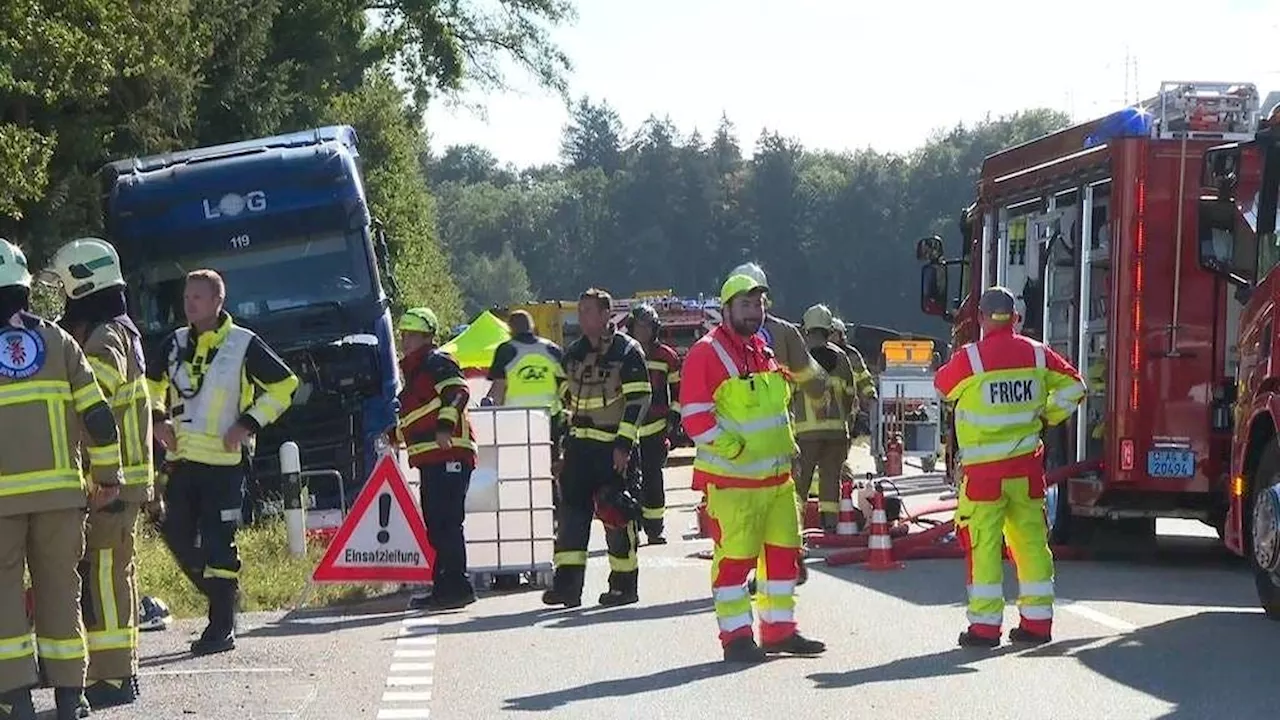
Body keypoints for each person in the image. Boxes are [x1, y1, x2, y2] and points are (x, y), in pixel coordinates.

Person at [0, 239, 123, 720]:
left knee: (4, 595)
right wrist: (108, 477)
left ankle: (14, 699)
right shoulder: (58, 341)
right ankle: (71, 696)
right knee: (60, 590)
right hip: (60, 497)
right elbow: (98, 416)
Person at [146, 269, 298, 656]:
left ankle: (221, 627)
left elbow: (285, 386)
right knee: (174, 532)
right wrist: (159, 419)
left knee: (219, 544)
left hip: (225, 464)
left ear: (218, 301)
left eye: (197, 297)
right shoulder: (174, 342)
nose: (189, 304)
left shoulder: (242, 343)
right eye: (186, 297)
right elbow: (149, 385)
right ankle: (225, 601)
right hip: (182, 461)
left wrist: (247, 424)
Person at [681, 272, 826, 663]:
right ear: (726, 309)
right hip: (734, 483)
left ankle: (779, 632)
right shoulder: (706, 354)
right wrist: (735, 449)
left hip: (777, 483)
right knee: (734, 563)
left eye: (759, 304)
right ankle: (737, 638)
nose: (755, 312)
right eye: (746, 304)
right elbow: (695, 418)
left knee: (782, 558)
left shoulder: (762, 350)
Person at [934, 286, 1086, 647]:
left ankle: (984, 628)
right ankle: (1037, 624)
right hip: (1025, 472)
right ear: (1016, 318)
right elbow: (1076, 387)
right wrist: (1047, 415)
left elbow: (942, 387)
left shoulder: (971, 359)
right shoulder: (1036, 354)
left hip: (984, 475)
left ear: (981, 319)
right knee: (1031, 544)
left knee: (984, 545)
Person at [40, 238, 153, 709]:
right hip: (122, 480)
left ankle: (112, 678)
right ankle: (118, 672)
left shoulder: (106, 338)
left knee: (105, 579)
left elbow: (94, 406)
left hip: (112, 481)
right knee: (113, 576)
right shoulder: (123, 331)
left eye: (66, 290)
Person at [542, 288, 651, 608]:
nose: (582, 316)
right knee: (572, 518)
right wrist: (559, 451)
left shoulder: (627, 351)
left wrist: (624, 445)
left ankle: (623, 586)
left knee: (615, 514)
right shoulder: (572, 354)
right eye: (581, 311)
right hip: (579, 451)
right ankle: (567, 588)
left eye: (589, 311)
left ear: (606, 315)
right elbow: (561, 405)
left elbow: (639, 399)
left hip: (612, 449)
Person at [396, 307, 478, 610]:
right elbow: (417, 413)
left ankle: (457, 587)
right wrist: (394, 436)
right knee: (437, 524)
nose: (406, 341)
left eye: (412, 335)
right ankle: (444, 587)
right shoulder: (415, 372)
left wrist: (444, 428)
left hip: (449, 453)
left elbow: (458, 392)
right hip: (432, 459)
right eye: (404, 335)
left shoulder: (436, 362)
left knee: (446, 522)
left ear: (428, 337)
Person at [622, 303, 681, 545]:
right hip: (629, 428)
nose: (643, 331)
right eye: (639, 326)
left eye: (647, 326)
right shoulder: (623, 353)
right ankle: (632, 527)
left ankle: (655, 529)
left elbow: (678, 390)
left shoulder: (667, 356)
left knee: (653, 479)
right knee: (629, 481)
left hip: (656, 426)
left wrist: (675, 419)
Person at [795, 304, 857, 531]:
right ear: (829, 329)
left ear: (806, 329)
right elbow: (851, 395)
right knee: (831, 480)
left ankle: (794, 528)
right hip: (837, 433)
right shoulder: (842, 358)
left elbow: (788, 393)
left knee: (800, 483)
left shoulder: (799, 357)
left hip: (806, 433)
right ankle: (829, 525)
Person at [830, 318, 876, 438]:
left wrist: (870, 394)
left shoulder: (851, 355)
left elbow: (863, 376)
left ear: (841, 335)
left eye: (834, 333)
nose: (831, 337)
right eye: (829, 333)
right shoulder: (816, 352)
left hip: (848, 404)